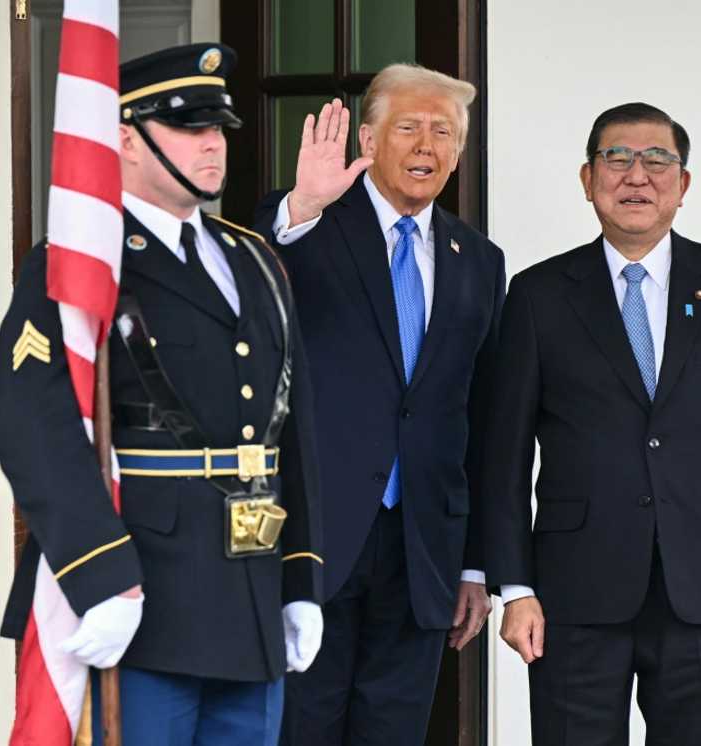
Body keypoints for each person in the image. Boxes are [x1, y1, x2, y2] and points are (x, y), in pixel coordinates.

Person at [0, 43, 323, 746]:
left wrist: (301, 578)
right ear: (124, 139)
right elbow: (38, 427)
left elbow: (293, 429)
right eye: (188, 127)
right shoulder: (82, 262)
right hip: (143, 594)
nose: (212, 145)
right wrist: (97, 575)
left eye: (218, 129)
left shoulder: (256, 259)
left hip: (250, 595)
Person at [484, 102, 701, 745]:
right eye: (617, 158)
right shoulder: (539, 294)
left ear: (683, 185)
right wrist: (514, 588)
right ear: (587, 179)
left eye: (658, 160)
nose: (637, 176)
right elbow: (503, 454)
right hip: (573, 592)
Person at [254, 64, 505, 745]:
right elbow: (251, 302)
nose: (427, 145)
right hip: (313, 538)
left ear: (458, 153)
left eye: (443, 132)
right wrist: (300, 209)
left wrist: (475, 565)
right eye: (408, 127)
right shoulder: (308, 226)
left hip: (423, 550)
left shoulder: (478, 260)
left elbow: (479, 420)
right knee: (300, 729)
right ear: (367, 137)